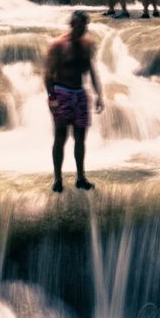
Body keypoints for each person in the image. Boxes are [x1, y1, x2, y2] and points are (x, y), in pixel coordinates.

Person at [44, 11, 104, 192]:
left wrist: (99, 94)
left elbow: (91, 70)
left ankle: (81, 178)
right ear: (72, 25)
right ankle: (57, 179)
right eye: (79, 25)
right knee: (60, 136)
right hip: (62, 92)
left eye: (85, 25)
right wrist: (52, 98)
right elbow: (48, 74)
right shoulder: (58, 45)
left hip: (80, 93)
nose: (83, 29)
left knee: (80, 138)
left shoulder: (87, 44)